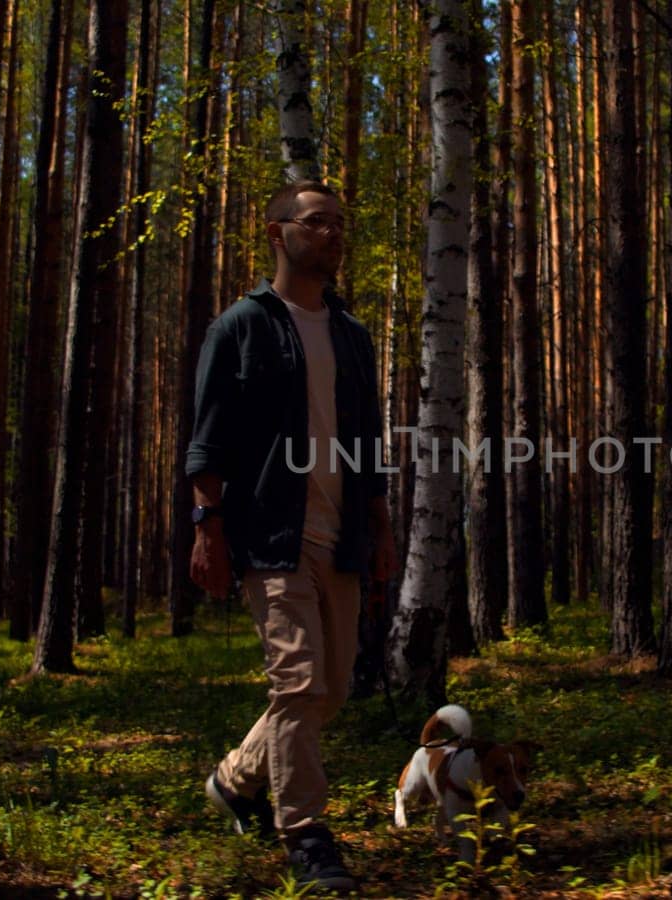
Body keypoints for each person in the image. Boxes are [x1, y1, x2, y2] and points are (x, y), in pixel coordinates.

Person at [187, 179, 397, 892]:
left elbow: (367, 440)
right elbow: (207, 442)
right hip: (269, 533)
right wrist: (207, 527)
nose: (333, 234)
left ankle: (235, 777)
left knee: (330, 690)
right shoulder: (240, 327)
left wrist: (380, 527)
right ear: (278, 233)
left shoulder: (351, 335)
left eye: (340, 223)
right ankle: (306, 836)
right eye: (317, 223)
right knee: (300, 682)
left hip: (339, 535)